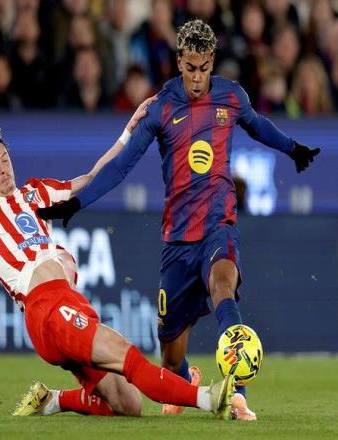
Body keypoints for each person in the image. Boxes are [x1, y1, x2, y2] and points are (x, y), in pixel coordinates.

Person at [0, 98, 235, 419]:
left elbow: (90, 178)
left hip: (66, 304)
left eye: (5, 160)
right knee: (127, 356)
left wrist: (128, 130)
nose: (4, 170)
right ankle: (208, 398)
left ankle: (52, 400)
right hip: (47, 310)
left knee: (128, 404)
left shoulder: (34, 194)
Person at [36, 19, 320, 421]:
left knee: (223, 284)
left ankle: (237, 394)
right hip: (178, 241)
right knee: (170, 357)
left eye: (204, 68)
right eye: (190, 68)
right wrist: (76, 203)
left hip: (219, 225)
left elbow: (259, 126)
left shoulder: (231, 95)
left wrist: (294, 149)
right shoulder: (161, 107)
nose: (198, 78)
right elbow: (122, 166)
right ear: (179, 62)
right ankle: (187, 382)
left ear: (212, 62)